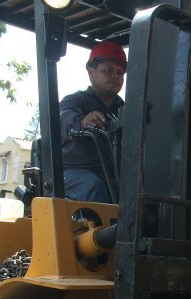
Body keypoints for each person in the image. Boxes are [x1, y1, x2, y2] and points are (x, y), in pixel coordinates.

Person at [59, 40, 126, 203]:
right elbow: (65, 121)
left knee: (137, 191)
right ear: (91, 71)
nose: (115, 76)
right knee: (93, 186)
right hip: (72, 172)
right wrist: (83, 122)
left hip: (111, 176)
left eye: (120, 72)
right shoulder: (74, 101)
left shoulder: (125, 109)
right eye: (108, 70)